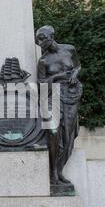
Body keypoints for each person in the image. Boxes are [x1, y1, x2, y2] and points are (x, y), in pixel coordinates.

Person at [35, 25, 82, 187]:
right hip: (52, 96)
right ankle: (53, 171)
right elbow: (41, 84)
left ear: (51, 36)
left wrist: (75, 73)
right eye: (38, 40)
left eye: (42, 38)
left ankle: (59, 170)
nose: (39, 42)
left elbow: (78, 66)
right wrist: (57, 77)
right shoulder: (43, 61)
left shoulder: (69, 49)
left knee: (68, 135)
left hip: (71, 94)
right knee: (53, 130)